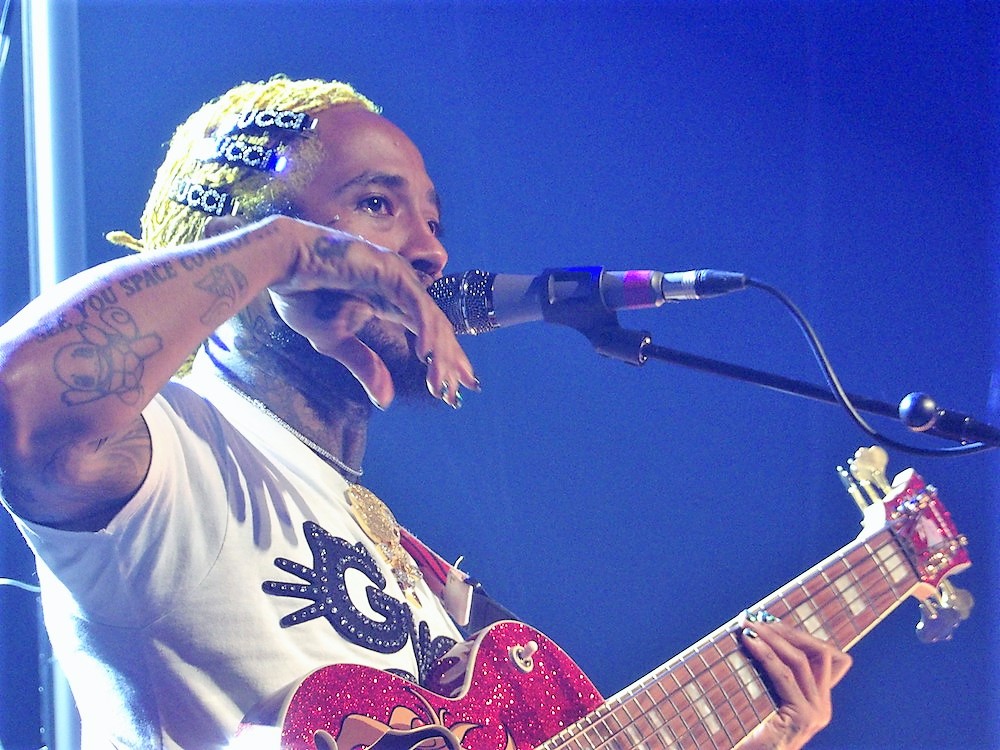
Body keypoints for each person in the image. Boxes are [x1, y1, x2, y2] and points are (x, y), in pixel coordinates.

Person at [0, 76, 850, 749]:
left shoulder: (424, 579)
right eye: (377, 204)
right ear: (238, 234)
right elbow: (21, 399)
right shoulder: (176, 451)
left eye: (432, 219)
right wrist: (284, 251)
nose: (431, 250)